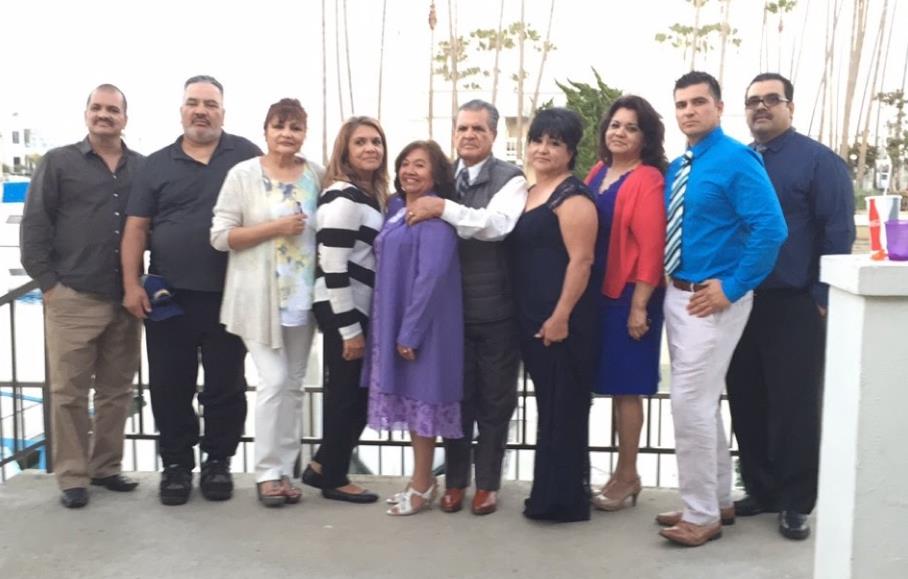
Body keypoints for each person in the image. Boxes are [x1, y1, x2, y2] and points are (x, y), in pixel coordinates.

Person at [658, 71, 787, 546]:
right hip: (678, 294)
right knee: (702, 402)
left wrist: (732, 287)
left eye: (698, 102)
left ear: (718, 106)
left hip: (712, 300)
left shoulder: (736, 159)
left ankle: (701, 515)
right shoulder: (681, 165)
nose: (689, 111)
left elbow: (771, 229)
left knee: (689, 403)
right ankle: (715, 500)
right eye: (681, 104)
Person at [121, 75, 261, 506]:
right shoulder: (155, 165)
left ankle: (218, 462)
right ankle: (177, 466)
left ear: (223, 112)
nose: (201, 111)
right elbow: (136, 229)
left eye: (210, 104)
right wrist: (130, 284)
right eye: (194, 103)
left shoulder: (247, 155)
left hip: (230, 294)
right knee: (169, 386)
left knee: (226, 385)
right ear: (182, 110)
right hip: (168, 297)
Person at [726, 73, 855, 540]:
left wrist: (821, 298)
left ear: (790, 107)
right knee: (746, 398)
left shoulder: (818, 162)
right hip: (739, 301)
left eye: (771, 99)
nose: (761, 107)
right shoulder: (738, 161)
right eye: (752, 101)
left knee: (794, 405)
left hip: (794, 302)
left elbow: (837, 232)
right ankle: (761, 490)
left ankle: (796, 502)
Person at [20, 84, 144, 508]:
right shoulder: (59, 162)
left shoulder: (142, 168)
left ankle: (105, 467)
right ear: (86, 113)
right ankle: (73, 476)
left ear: (125, 118)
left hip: (124, 298)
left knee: (116, 390)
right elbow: (35, 226)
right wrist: (49, 285)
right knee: (69, 393)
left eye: (113, 109)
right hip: (73, 295)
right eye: (97, 107)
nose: (104, 115)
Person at [406, 100, 528, 516]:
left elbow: (496, 226)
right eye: (463, 128)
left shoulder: (511, 179)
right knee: (454, 399)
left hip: (496, 310)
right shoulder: (443, 177)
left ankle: (488, 485)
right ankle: (455, 481)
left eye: (478, 129)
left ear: (493, 135)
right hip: (449, 314)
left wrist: (443, 207)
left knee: (495, 402)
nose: (469, 135)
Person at [210, 98, 323, 507]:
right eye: (279, 126)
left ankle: (285, 471)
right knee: (273, 380)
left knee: (293, 386)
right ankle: (266, 472)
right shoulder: (243, 174)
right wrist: (276, 227)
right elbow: (221, 236)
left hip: (303, 299)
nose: (287, 134)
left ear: (304, 133)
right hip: (257, 298)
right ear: (266, 130)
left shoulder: (317, 174)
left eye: (295, 127)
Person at [365, 140, 463, 516]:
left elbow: (431, 278)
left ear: (436, 174)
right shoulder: (396, 209)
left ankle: (423, 483)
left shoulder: (435, 219)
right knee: (410, 401)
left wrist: (410, 331)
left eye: (420, 165)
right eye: (405, 163)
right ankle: (418, 479)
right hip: (395, 319)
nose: (409, 170)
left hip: (425, 327)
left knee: (423, 404)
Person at [511, 108, 598, 523]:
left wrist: (561, 315)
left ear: (570, 151)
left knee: (564, 408)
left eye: (555, 143)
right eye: (538, 140)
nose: (543, 149)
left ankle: (563, 501)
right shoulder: (529, 192)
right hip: (530, 315)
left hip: (563, 320)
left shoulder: (573, 197)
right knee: (549, 406)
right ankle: (550, 493)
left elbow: (582, 261)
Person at [582, 96, 667, 512]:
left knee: (627, 389)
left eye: (631, 127)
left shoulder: (648, 179)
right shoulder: (598, 172)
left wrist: (639, 306)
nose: (620, 132)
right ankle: (616, 474)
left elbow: (652, 247)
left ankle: (629, 473)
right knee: (610, 386)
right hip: (598, 292)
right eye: (615, 125)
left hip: (632, 295)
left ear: (645, 137)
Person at [302, 117, 389, 504]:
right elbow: (333, 265)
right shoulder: (343, 196)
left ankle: (322, 465)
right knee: (347, 394)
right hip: (343, 306)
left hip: (356, 306)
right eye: (361, 142)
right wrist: (350, 330)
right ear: (345, 151)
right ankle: (335, 478)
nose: (370, 148)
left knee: (357, 393)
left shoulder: (368, 196)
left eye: (376, 142)